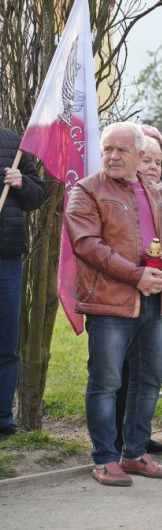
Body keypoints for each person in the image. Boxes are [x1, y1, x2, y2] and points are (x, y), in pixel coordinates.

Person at [64, 122, 162, 486]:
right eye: (107, 150)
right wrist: (137, 276)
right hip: (109, 304)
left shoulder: (157, 191)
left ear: (138, 155)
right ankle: (104, 458)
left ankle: (134, 453)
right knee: (106, 383)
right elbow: (87, 245)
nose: (113, 156)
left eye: (121, 150)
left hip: (155, 300)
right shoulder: (86, 190)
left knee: (148, 380)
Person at [112, 133, 162, 456]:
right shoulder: (104, 192)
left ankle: (138, 440)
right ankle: (113, 443)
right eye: (146, 160)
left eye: (158, 162)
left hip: (159, 297)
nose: (153, 167)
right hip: (119, 300)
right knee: (117, 376)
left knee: (147, 376)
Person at [0, 126, 46, 437]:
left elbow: (38, 195)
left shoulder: (13, 142)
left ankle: (3, 419)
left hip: (7, 260)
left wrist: (22, 183)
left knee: (6, 343)